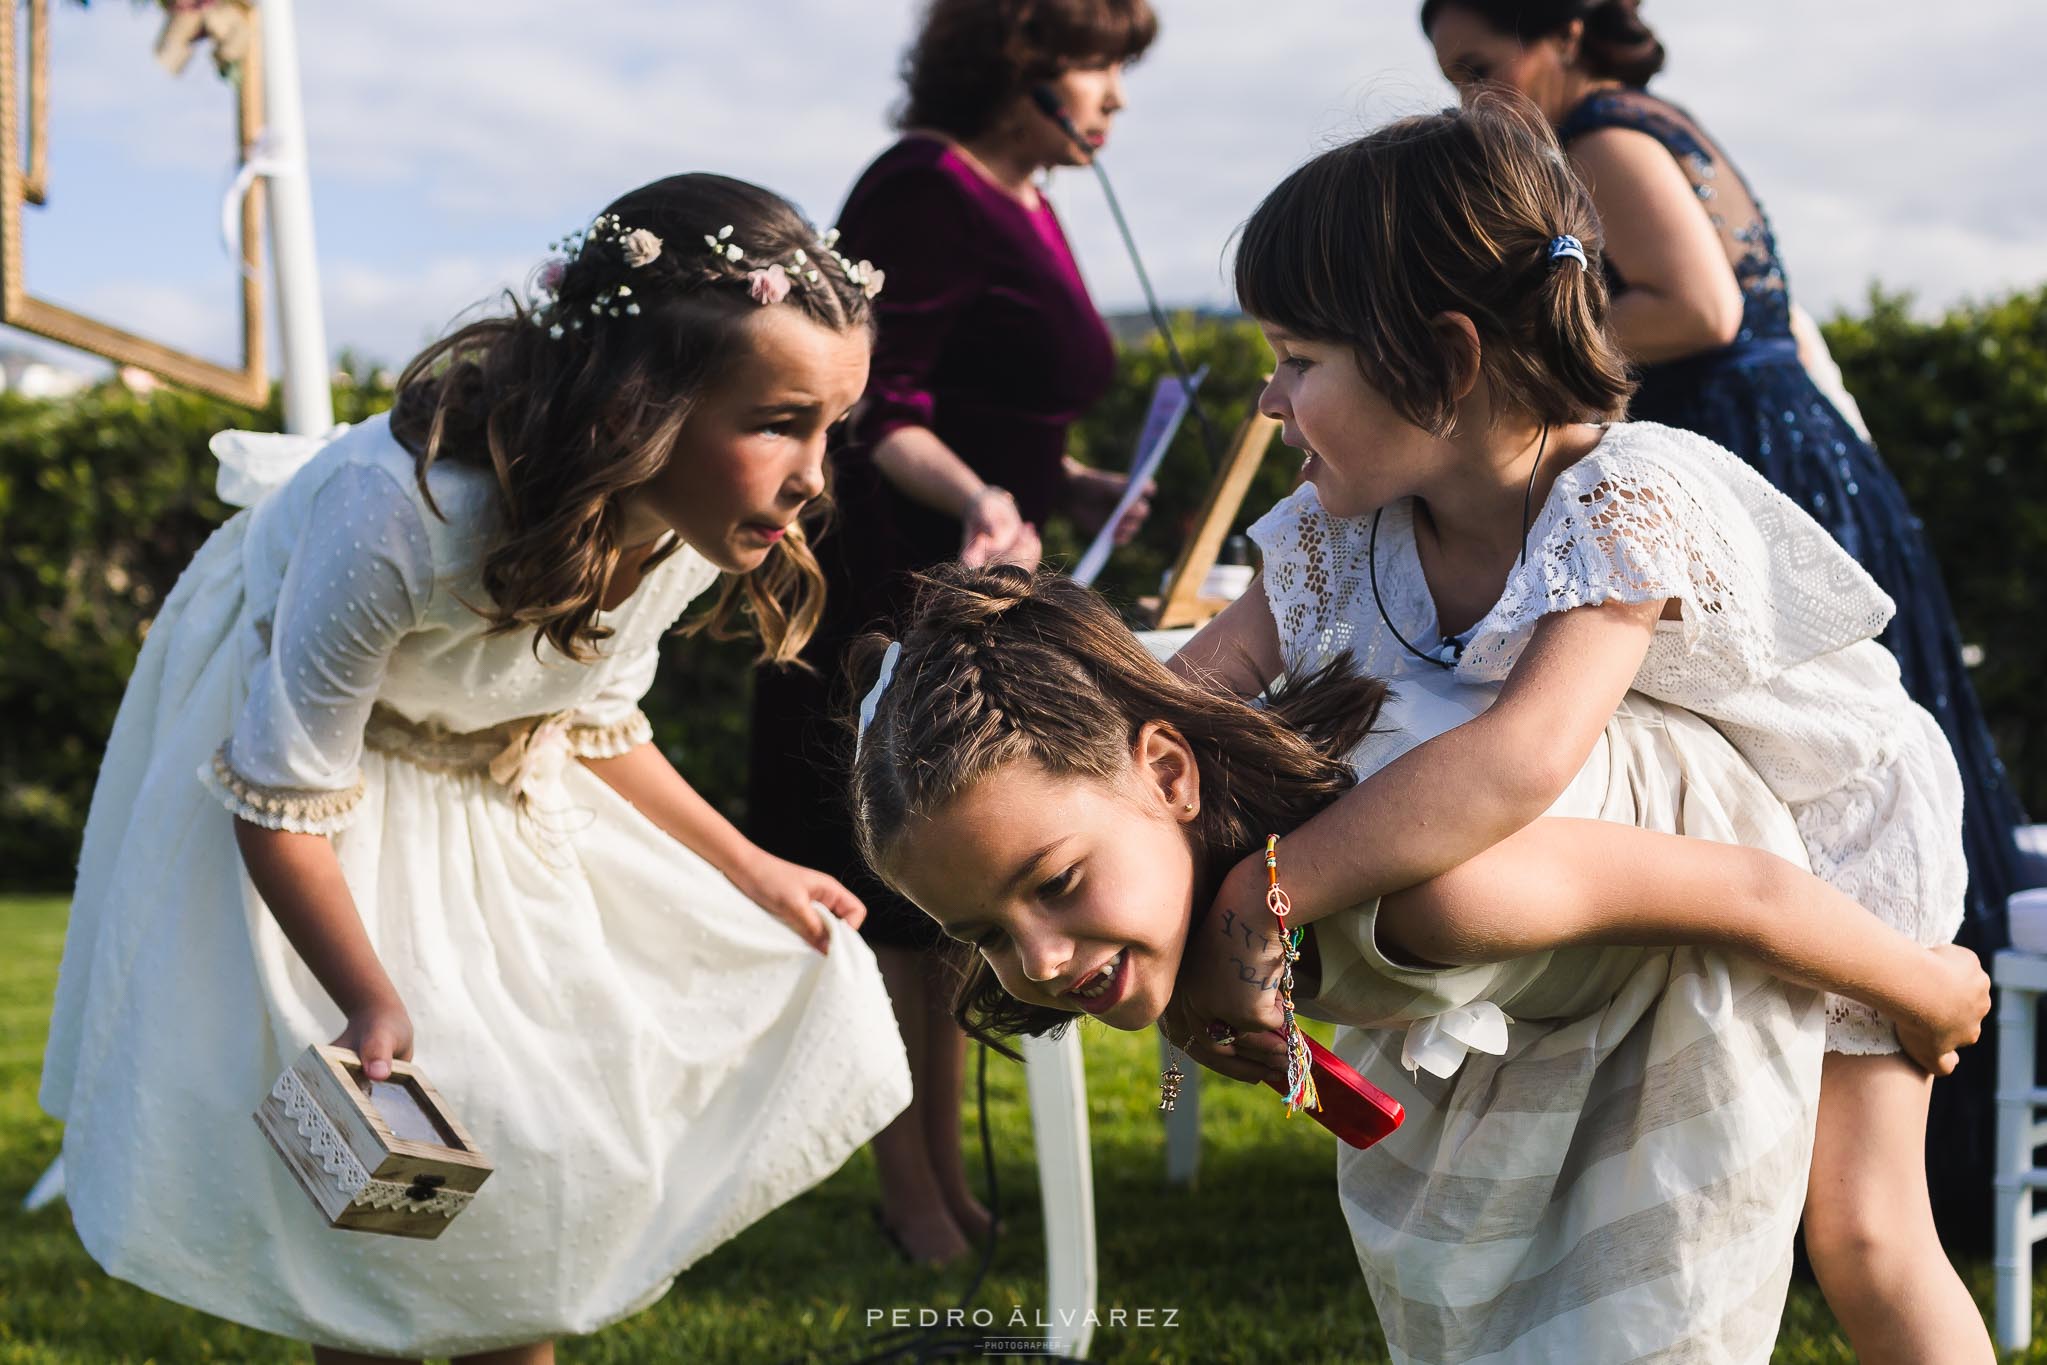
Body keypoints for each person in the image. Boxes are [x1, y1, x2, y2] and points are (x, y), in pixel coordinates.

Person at [1166, 98, 1992, 1362]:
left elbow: (1520, 758)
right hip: (1651, 864)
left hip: (1831, 833)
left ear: (1441, 362)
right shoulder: (1342, 528)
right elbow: (1186, 702)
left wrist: (1258, 899)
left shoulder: (1625, 492)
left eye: (1297, 357)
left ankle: (1927, 986)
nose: (1271, 399)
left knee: (1866, 1233)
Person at [38, 174, 911, 1364]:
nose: (815, 474)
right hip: (314, 805)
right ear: (637, 405)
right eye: (776, 422)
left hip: (494, 793)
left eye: (831, 428)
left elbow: (593, 719)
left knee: (532, 1146)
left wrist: (758, 870)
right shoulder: (398, 518)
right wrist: (370, 998)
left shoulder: (680, 528)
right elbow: (284, 798)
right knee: (383, 1219)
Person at [847, 564, 1988, 1363]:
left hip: (1784, 849)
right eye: (984, 933)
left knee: (1859, 1236)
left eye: (1053, 884)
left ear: (1171, 778)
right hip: (1572, 958)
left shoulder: (1436, 890)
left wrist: (1916, 983)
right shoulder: (1187, 906)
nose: (1038, 959)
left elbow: (1742, 895)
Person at [1419, 0, 2030, 953]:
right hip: (1782, 435)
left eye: (1479, 66)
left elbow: (1701, 307)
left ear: (1563, 34)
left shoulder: (1601, 136)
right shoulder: (1636, 123)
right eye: (1455, 79)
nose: (1474, 102)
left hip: (1753, 444)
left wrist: (1516, 353)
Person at [747, 0, 1157, 1266]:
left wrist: (1071, 481)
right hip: (885, 587)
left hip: (971, 579)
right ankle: (911, 1188)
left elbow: (998, 393)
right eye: (1098, 67)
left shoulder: (1029, 199)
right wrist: (979, 497)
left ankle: (937, 1179)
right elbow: (878, 406)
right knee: (889, 904)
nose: (1115, 98)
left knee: (938, 928)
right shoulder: (924, 185)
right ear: (1020, 66)